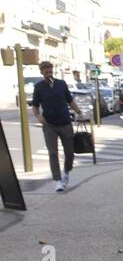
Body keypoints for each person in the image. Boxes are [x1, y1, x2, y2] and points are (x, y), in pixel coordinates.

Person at [28, 60, 85, 192]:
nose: (49, 72)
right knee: (53, 153)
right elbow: (35, 105)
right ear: (41, 72)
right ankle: (57, 180)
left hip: (65, 122)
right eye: (46, 71)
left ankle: (66, 171)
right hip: (49, 124)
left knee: (70, 153)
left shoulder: (61, 84)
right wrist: (38, 117)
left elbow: (70, 100)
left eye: (50, 70)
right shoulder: (39, 87)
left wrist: (79, 112)